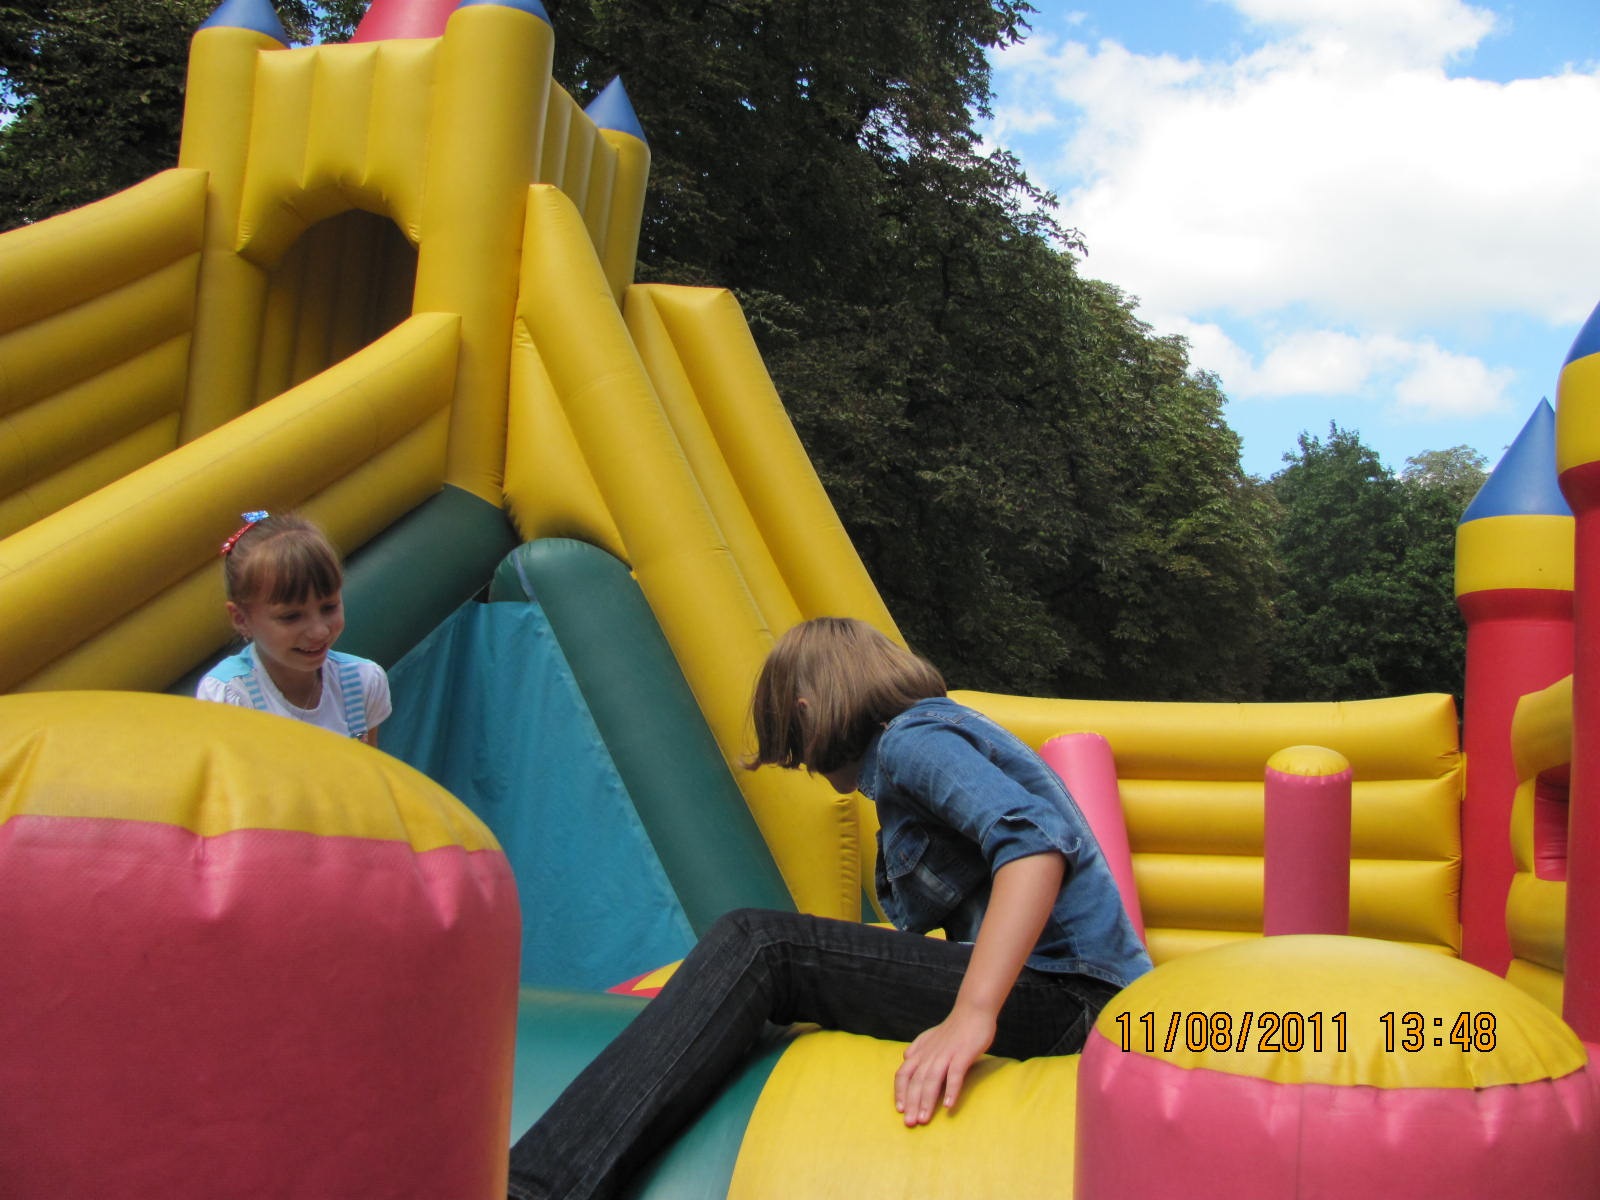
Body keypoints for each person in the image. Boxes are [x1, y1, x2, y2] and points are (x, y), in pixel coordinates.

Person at [508, 616, 1151, 1199]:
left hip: (1074, 1001)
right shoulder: (934, 734)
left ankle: (534, 1186)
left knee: (760, 945)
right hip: (1073, 997)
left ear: (807, 710)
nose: (804, 765)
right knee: (783, 952)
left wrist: (971, 1014)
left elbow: (1035, 846)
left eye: (793, 746)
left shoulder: (911, 742)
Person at [196, 511, 391, 745]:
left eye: (329, 607)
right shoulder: (230, 696)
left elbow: (369, 765)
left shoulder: (363, 682)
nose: (319, 631)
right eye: (291, 617)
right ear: (241, 619)